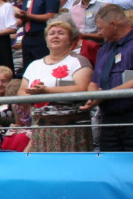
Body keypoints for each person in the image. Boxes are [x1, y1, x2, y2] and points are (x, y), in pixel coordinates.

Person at [83, 4, 133, 151]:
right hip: (109, 119)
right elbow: (95, 80)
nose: (99, 33)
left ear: (113, 25)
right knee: (112, 167)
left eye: (101, 28)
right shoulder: (104, 49)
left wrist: (107, 95)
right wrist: (93, 95)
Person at [17, 19, 94, 152]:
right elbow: (21, 92)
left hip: (71, 130)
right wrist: (34, 93)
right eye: (51, 33)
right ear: (46, 39)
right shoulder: (34, 65)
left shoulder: (78, 61)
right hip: (42, 129)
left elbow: (82, 88)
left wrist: (47, 91)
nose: (55, 36)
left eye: (61, 33)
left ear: (71, 39)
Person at [14, 0, 60, 74]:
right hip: (28, 38)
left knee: (44, 69)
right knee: (29, 70)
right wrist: (19, 20)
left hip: (42, 37)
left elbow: (51, 16)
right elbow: (26, 18)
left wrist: (28, 16)